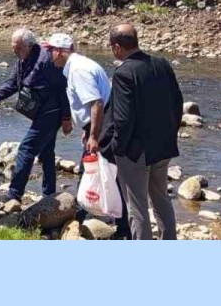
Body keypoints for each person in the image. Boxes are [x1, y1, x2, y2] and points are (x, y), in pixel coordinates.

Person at [97, 23, 184, 240]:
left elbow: (123, 119)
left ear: (117, 47)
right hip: (163, 147)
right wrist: (170, 134)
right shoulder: (162, 64)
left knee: (137, 207)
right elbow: (177, 103)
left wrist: (118, 148)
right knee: (162, 199)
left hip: (136, 152)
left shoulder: (124, 72)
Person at [60, 36, 128, 238]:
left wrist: (94, 135)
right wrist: (87, 128)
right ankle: (103, 215)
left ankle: (120, 227)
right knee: (100, 171)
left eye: (49, 50)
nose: (47, 55)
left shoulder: (78, 70)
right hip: (101, 123)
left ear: (59, 51)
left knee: (99, 172)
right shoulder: (81, 64)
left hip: (103, 126)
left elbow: (96, 103)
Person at [0, 31, 72, 202]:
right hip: (40, 111)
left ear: (29, 46)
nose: (15, 52)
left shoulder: (47, 60)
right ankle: (49, 193)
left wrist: (66, 119)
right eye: (13, 48)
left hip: (52, 113)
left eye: (18, 48)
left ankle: (14, 194)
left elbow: (63, 90)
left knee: (25, 150)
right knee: (47, 152)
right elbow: (13, 84)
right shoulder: (23, 58)